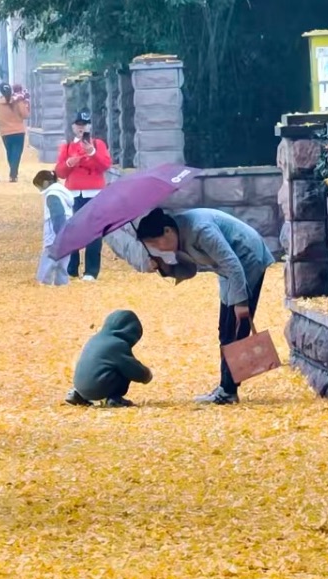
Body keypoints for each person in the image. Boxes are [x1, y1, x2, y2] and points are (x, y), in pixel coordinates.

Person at [135, 206, 275, 405]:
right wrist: (162, 266)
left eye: (157, 243)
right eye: (153, 246)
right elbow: (190, 270)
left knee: (235, 327)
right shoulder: (179, 235)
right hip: (227, 270)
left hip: (247, 258)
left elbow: (232, 263)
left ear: (167, 230)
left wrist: (242, 303)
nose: (160, 248)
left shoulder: (200, 230)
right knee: (224, 329)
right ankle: (225, 388)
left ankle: (228, 391)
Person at [55, 111, 111, 281]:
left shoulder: (98, 144)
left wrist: (92, 152)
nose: (81, 128)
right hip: (73, 193)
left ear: (89, 127)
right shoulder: (67, 146)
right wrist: (68, 163)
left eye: (85, 124)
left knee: (94, 231)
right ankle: (72, 267)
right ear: (73, 127)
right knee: (72, 230)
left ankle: (91, 271)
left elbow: (105, 165)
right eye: (79, 124)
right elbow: (60, 172)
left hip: (94, 192)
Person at [65, 310, 152, 407]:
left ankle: (77, 395)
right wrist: (146, 375)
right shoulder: (117, 344)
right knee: (124, 368)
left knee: (98, 365)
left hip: (79, 386)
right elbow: (133, 369)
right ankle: (114, 398)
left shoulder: (95, 339)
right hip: (99, 388)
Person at [34, 168, 73, 285]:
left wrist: (58, 233)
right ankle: (61, 282)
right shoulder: (63, 193)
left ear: (45, 183)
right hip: (67, 229)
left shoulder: (52, 195)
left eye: (39, 186)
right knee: (64, 258)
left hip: (55, 231)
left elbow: (57, 214)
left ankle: (44, 280)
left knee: (49, 256)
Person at [0, 82, 31, 182]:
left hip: (5, 131)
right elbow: (25, 115)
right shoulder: (19, 101)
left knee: (10, 152)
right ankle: (13, 174)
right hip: (18, 130)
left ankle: (13, 172)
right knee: (17, 153)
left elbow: (0, 115)